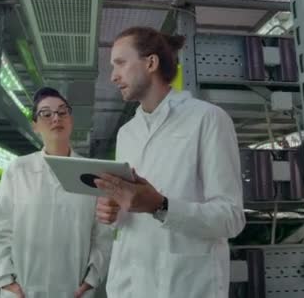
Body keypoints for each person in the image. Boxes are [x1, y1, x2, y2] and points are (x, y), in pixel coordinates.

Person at [94, 26, 246, 297]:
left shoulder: (207, 119)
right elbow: (134, 213)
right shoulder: (127, 133)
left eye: (120, 63)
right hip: (129, 284)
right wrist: (115, 210)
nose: (113, 76)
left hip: (185, 285)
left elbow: (231, 218)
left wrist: (161, 207)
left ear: (150, 63)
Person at [0, 87, 112, 298]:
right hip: (24, 290)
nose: (56, 118)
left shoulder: (92, 172)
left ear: (71, 119)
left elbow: (102, 234)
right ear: (35, 125)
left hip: (73, 290)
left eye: (62, 112)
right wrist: (5, 281)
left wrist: (92, 280)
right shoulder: (18, 170)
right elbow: (1, 231)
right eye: (46, 113)